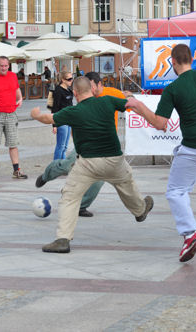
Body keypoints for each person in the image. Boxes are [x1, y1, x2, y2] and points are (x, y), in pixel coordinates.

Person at [125, 44, 196, 262]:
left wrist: (138, 105)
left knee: (176, 191)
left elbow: (161, 124)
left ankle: (190, 235)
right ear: (192, 58)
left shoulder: (173, 89)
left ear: (173, 61)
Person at [31, 76, 154, 253]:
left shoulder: (73, 111)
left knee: (70, 197)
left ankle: (62, 239)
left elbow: (47, 118)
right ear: (92, 89)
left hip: (88, 164)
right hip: (114, 161)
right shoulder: (108, 101)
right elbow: (131, 104)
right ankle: (140, 210)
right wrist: (151, 118)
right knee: (127, 187)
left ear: (74, 93)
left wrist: (35, 115)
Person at [35, 71, 128, 218]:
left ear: (98, 84)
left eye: (90, 87)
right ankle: (47, 175)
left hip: (104, 145)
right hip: (84, 144)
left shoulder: (112, 95)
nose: (88, 91)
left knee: (99, 179)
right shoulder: (84, 101)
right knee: (67, 166)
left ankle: (81, 206)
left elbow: (129, 100)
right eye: (86, 88)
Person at [51, 71, 73, 160]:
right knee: (60, 146)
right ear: (63, 80)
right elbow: (54, 108)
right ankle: (55, 166)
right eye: (69, 79)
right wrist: (54, 125)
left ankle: (62, 166)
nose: (71, 81)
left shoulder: (69, 90)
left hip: (69, 120)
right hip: (61, 120)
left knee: (65, 147)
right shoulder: (58, 90)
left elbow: (70, 105)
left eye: (72, 79)